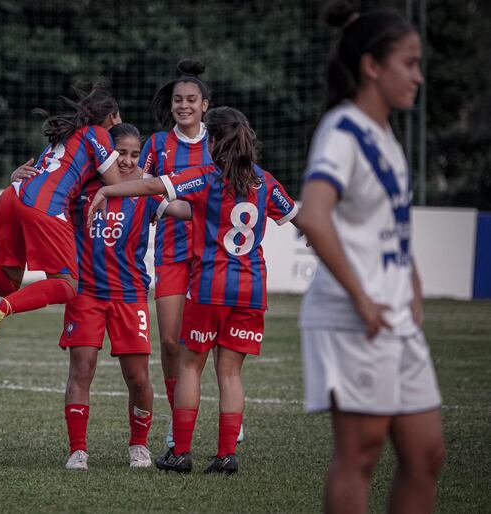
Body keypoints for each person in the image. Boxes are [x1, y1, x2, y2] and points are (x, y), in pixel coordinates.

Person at [88, 106, 302, 474]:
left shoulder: (205, 177)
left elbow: (154, 185)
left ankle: (180, 452)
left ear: (214, 141)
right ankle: (225, 454)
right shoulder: (265, 181)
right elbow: (298, 217)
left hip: (208, 286)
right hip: (251, 289)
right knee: (231, 374)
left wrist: (109, 189)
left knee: (190, 365)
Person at [298, 2, 445, 512]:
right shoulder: (343, 131)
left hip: (395, 316)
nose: (418, 76)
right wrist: (361, 297)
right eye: (409, 63)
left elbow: (392, 225)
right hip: (351, 319)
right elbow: (314, 216)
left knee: (427, 454)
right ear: (372, 66)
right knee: (359, 454)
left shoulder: (385, 135)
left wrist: (414, 288)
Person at [0, 85, 122, 353]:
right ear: (109, 116)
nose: (119, 124)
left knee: (8, 281)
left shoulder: (66, 136)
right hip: (44, 205)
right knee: (67, 285)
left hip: (11, 197)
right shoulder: (98, 134)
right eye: (117, 118)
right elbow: (117, 183)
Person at [59, 123, 164, 471]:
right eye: (121, 153)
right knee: (81, 371)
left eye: (135, 154)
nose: (128, 161)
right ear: (107, 154)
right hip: (85, 294)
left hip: (130, 297)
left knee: (138, 378)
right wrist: (18, 178)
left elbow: (185, 209)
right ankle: (77, 450)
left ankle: (139, 445)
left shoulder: (147, 190)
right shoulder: (84, 188)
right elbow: (44, 195)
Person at [139, 59, 217, 452]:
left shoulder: (220, 141)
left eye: (191, 99)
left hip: (213, 256)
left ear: (205, 104)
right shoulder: (155, 144)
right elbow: (136, 182)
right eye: (177, 100)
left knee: (215, 341)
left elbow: (239, 184)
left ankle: (230, 419)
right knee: (170, 340)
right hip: (170, 251)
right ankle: (177, 420)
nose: (183, 105)